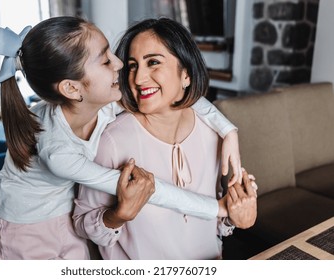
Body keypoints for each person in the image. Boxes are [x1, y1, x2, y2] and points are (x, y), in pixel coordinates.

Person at [0, 16, 243, 260]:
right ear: (72, 88)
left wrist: (228, 130)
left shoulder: (104, 104)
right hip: (25, 228)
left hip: (66, 215)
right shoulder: (59, 153)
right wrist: (219, 208)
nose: (121, 65)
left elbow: (176, 91)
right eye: (105, 61)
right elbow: (152, 190)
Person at [73, 18, 257, 260]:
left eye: (153, 63)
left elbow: (210, 221)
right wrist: (118, 215)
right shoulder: (112, 141)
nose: (138, 79)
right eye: (132, 66)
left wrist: (234, 214)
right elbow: (82, 225)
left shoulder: (213, 134)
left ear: (186, 75)